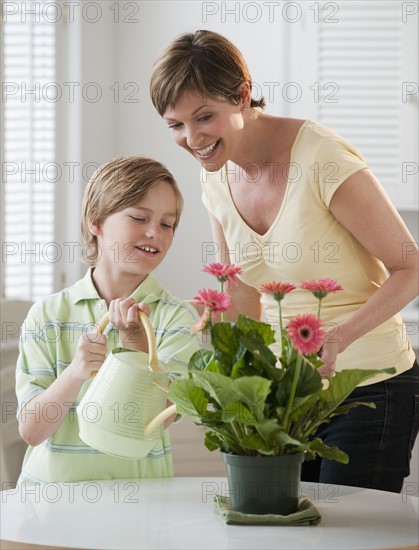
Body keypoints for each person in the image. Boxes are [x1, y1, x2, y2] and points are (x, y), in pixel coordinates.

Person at [149, 30, 419, 492]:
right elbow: (239, 293)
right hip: (287, 391)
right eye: (175, 125)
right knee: (288, 531)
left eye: (204, 117)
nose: (191, 138)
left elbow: (410, 267)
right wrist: (176, 324)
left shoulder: (320, 157)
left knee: (349, 535)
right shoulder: (213, 179)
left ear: (242, 94)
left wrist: (339, 337)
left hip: (368, 383)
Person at [15, 156, 201, 484]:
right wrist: (74, 373)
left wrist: (138, 351)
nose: (153, 233)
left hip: (141, 505)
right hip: (50, 506)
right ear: (95, 221)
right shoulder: (47, 315)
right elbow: (31, 430)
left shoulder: (177, 318)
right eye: (139, 217)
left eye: (167, 224)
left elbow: (161, 420)